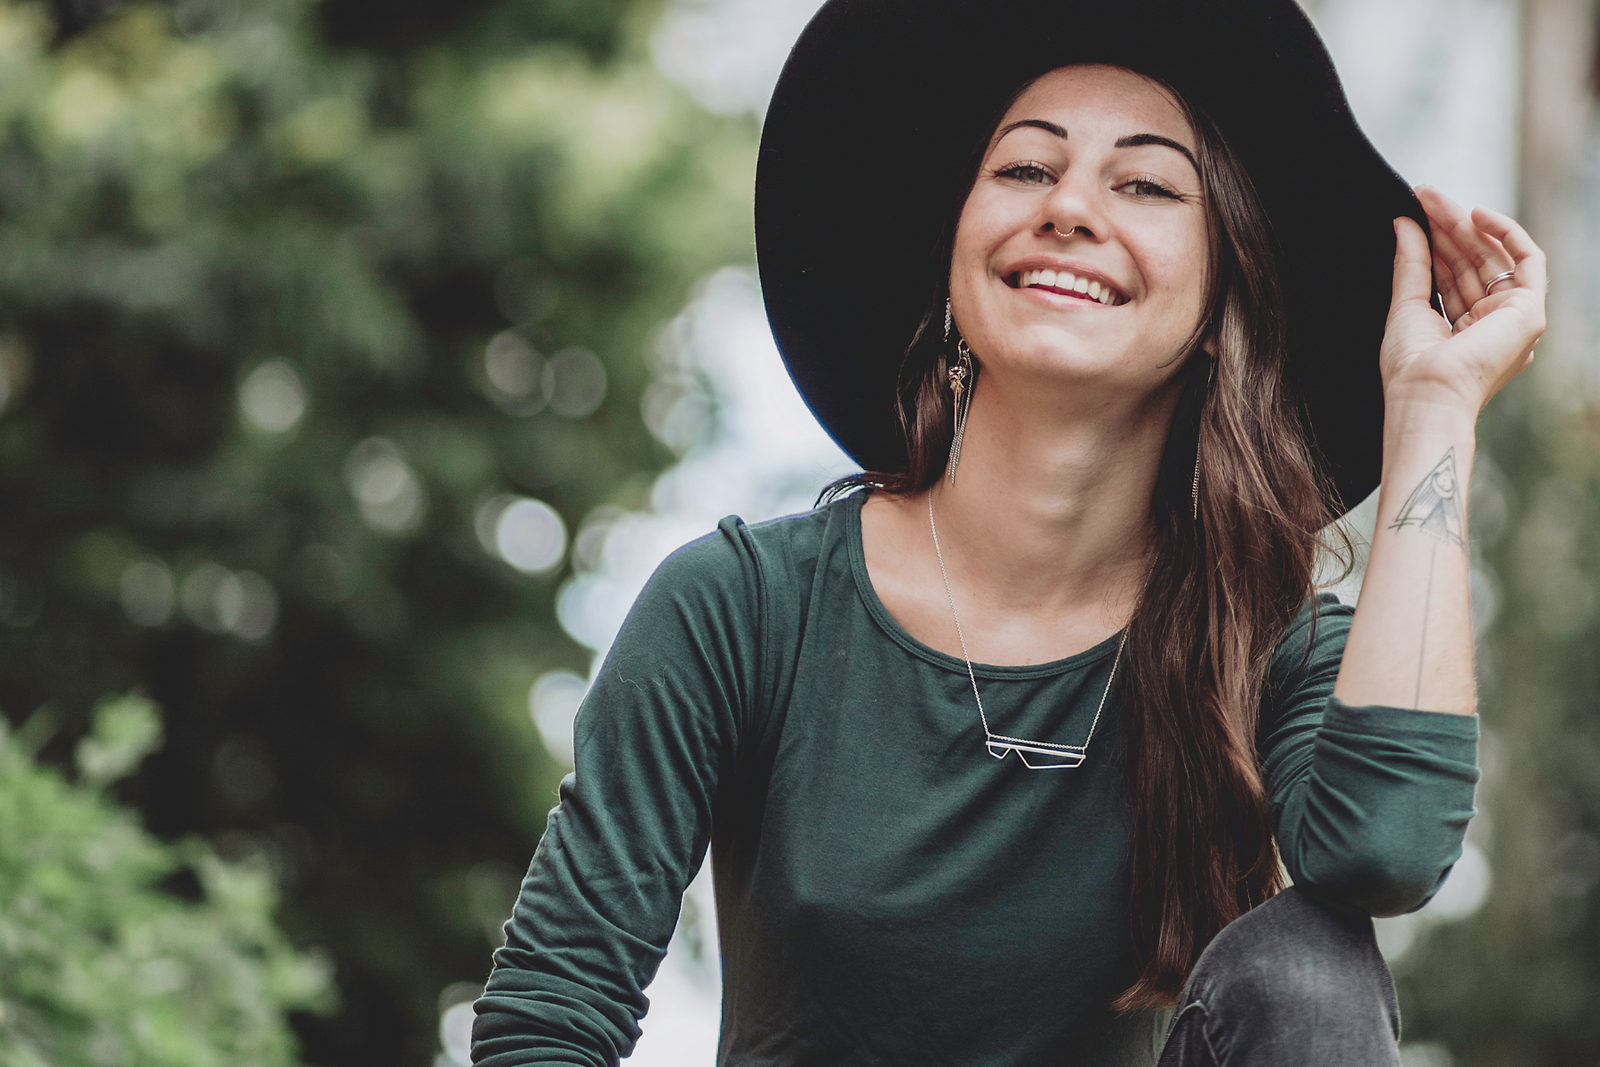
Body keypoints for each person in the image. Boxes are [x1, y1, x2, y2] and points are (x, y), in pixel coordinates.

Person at [473, 0, 1545, 1063]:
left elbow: (1383, 851)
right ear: (952, 263)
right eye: (1025, 170)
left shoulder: (1265, 646)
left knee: (1309, 968)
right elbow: (548, 1014)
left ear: (1222, 312)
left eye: (1143, 183)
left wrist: (1434, 408)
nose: (1070, 206)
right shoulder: (743, 606)